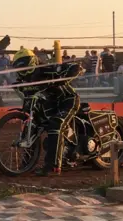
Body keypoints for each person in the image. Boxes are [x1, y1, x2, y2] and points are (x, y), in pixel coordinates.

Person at [12, 48, 82, 176]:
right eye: (18, 67)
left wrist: (62, 79)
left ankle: (52, 166)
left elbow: (75, 67)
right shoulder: (25, 80)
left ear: (32, 61)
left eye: (23, 65)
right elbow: (28, 101)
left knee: (55, 125)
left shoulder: (47, 69)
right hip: (50, 104)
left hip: (67, 100)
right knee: (32, 126)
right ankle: (27, 164)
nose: (21, 69)